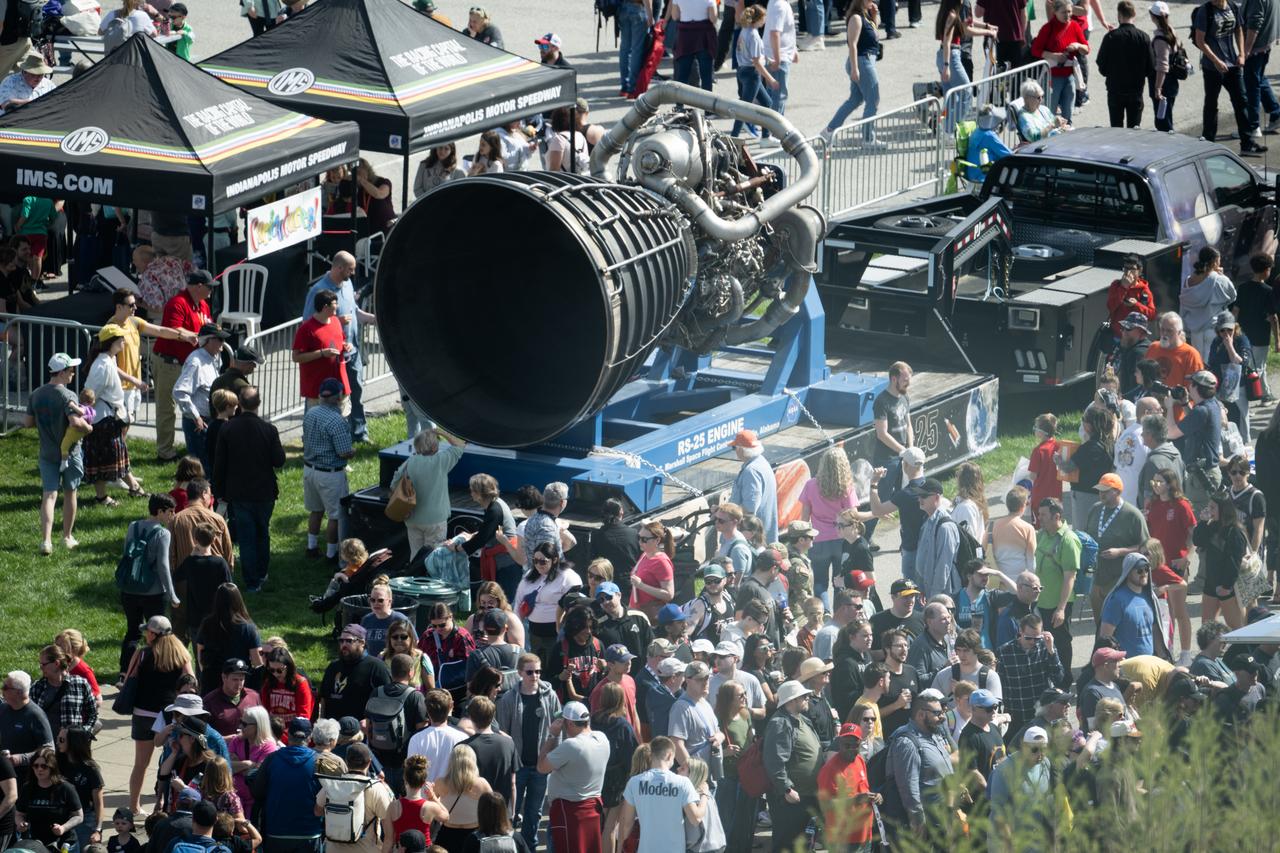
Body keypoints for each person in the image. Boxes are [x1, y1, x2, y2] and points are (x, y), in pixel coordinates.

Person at [26, 353, 90, 555]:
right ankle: (66, 537)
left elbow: (27, 423)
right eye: (71, 370)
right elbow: (75, 422)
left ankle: (46, 541)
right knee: (71, 492)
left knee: (49, 495)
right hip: (70, 453)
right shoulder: (68, 396)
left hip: (47, 453)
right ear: (62, 372)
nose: (73, 373)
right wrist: (88, 428)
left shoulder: (36, 394)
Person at [495, 653, 560, 848]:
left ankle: (529, 847)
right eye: (530, 672)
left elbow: (559, 727)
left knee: (535, 812)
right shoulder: (508, 699)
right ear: (521, 673)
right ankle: (511, 846)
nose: (535, 676)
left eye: (538, 671)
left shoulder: (550, 696)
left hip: (541, 765)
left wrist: (555, 759)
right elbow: (502, 733)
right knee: (510, 811)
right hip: (518, 766)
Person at [152, 271, 214, 462]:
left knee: (193, 405)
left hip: (188, 364)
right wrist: (196, 335)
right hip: (169, 362)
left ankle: (193, 445)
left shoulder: (202, 304)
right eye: (209, 286)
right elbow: (173, 330)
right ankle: (165, 451)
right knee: (166, 408)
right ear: (198, 286)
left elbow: (207, 327)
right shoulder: (177, 303)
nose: (212, 290)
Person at [536, 700, 607, 853]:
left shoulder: (572, 745)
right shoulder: (602, 738)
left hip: (569, 814)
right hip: (592, 811)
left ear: (570, 724)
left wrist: (552, 735)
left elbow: (541, 767)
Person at [1195, 0, 1267, 152]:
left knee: (1241, 102)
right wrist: (1216, 60)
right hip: (1212, 68)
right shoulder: (1205, 11)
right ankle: (1208, 144)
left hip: (1232, 64)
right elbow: (1200, 40)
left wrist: (1241, 53)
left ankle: (1247, 143)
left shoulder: (1233, 7)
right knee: (1211, 105)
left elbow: (1239, 30)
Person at [616, 735, 703, 853]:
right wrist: (705, 796)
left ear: (651, 754)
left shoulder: (634, 782)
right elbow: (695, 818)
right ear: (669, 755)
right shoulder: (683, 782)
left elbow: (627, 823)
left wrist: (620, 846)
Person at [885, 692, 955, 839]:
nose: (942, 717)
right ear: (921, 715)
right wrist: (917, 821)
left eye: (942, 712)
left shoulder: (934, 735)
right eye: (937, 713)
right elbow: (908, 786)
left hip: (944, 816)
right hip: (927, 822)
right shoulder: (907, 742)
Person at [300, 378, 355, 562]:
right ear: (338, 397)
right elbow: (344, 452)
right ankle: (332, 554)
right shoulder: (337, 421)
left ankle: (311, 547)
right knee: (335, 516)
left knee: (315, 511)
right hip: (330, 475)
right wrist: (352, 452)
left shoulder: (311, 413)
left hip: (309, 471)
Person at [761, 681, 820, 852]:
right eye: (803, 696)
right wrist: (786, 789)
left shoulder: (802, 719)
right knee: (787, 844)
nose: (807, 698)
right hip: (791, 798)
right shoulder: (780, 723)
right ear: (791, 700)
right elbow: (774, 760)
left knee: (803, 844)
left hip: (806, 795)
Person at [251, 717, 324, 852]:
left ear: (288, 735)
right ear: (310, 737)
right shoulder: (320, 761)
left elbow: (257, 792)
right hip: (309, 834)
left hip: (277, 833)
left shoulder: (272, 759)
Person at [1085, 472, 1150, 619]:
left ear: (1118, 491)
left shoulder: (1132, 515)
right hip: (1096, 576)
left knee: (1116, 622)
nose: (1101, 494)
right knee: (1100, 623)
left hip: (1121, 577)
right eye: (1100, 490)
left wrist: (1121, 551)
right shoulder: (1095, 510)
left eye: (1106, 491)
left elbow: (1146, 547)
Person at [819, 0, 882, 146]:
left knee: (855, 99)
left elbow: (874, 33)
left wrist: (875, 14)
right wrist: (855, 69)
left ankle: (829, 131)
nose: (872, 2)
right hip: (862, 62)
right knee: (873, 100)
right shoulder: (856, 18)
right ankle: (868, 138)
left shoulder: (866, 16)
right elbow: (852, 44)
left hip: (865, 61)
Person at [171, 323, 229, 476]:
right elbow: (179, 391)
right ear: (208, 341)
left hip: (209, 420)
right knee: (201, 470)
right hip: (197, 424)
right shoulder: (195, 362)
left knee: (210, 465)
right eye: (219, 340)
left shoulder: (214, 358)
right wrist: (195, 416)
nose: (223, 344)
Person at [996, 613, 1064, 737]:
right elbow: (1001, 685)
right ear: (1020, 631)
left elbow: (1059, 678)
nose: (1033, 642)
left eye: (1037, 638)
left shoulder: (1046, 647)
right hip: (1017, 715)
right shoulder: (1005, 652)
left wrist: (1051, 652)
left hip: (1042, 714)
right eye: (1028, 638)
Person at [1034, 497, 1079, 678]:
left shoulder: (1068, 540)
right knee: (1044, 642)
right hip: (1041, 602)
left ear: (1056, 516)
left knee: (1061, 643)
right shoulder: (1042, 534)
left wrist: (1061, 609)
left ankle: (1065, 679)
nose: (1039, 518)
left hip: (1058, 604)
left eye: (1043, 515)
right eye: (1039, 514)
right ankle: (1052, 679)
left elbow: (1070, 577)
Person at [1095, 1, 1154, 126]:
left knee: (1116, 130)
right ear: (1134, 14)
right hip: (1136, 91)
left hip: (1115, 91)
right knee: (1134, 129)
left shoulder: (1110, 37)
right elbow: (1151, 67)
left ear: (1119, 15)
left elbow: (1102, 67)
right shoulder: (1144, 38)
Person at [1031, 0, 1090, 124]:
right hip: (1053, 78)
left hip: (1069, 78)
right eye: (1064, 12)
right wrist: (1054, 56)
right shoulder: (1047, 28)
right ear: (1055, 12)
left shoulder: (1074, 26)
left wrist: (1078, 45)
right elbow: (1035, 50)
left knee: (1067, 117)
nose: (1067, 15)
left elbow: (1086, 49)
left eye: (1069, 12)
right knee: (1050, 116)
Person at [15, 745, 82, 851]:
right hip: (36, 844)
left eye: (44, 766)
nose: (39, 769)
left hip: (63, 844)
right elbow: (19, 813)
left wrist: (63, 828)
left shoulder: (65, 788)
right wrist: (20, 823)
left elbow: (78, 816)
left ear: (52, 767)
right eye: (35, 766)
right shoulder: (27, 787)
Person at [1182, 248, 1239, 360]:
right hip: (1213, 328)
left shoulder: (1188, 281)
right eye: (1218, 261)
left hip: (1195, 330)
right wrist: (1222, 276)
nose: (1220, 264)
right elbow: (1233, 296)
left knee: (1197, 362)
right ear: (1214, 263)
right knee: (1211, 364)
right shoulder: (1219, 279)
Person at [1208, 311, 1254, 443]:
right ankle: (1227, 443)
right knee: (1224, 416)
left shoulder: (1241, 339)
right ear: (1218, 330)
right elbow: (1212, 362)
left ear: (1235, 327)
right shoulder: (1216, 342)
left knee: (1242, 416)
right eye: (1223, 330)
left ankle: (1246, 443)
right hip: (1221, 385)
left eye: (1230, 329)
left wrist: (1229, 346)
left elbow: (1242, 362)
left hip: (1239, 385)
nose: (1226, 333)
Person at [912, 478, 961, 599]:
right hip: (929, 590)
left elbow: (943, 567)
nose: (919, 499)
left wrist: (935, 597)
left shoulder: (945, 527)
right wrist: (922, 587)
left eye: (923, 495)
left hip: (944, 595)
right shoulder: (928, 521)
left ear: (936, 497)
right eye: (918, 495)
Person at [728, 430, 778, 542]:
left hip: (752, 540)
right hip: (762, 535)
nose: (735, 451)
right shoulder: (762, 462)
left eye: (734, 447)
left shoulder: (751, 472)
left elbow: (749, 508)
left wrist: (724, 512)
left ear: (741, 449)